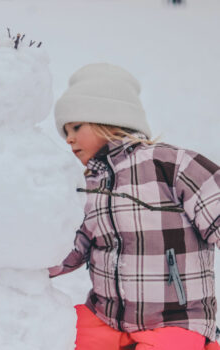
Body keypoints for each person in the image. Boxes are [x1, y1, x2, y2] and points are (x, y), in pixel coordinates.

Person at [49, 63, 220, 350]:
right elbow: (69, 249)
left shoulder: (171, 165)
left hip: (175, 318)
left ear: (107, 118)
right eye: (65, 131)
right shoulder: (86, 187)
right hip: (106, 317)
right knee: (54, 332)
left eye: (76, 126)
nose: (68, 139)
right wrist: (21, 260)